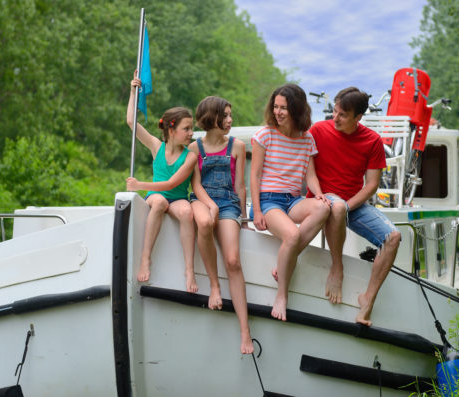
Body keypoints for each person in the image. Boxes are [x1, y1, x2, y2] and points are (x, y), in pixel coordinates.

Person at [126, 75, 223, 312]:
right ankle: (146, 257)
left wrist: (139, 185)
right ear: (171, 129)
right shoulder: (155, 146)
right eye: (186, 129)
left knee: (187, 212)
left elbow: (171, 184)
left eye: (191, 128)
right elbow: (131, 121)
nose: (191, 133)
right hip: (158, 197)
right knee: (158, 204)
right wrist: (132, 92)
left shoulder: (190, 157)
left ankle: (189, 270)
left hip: (177, 195)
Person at [308, 87, 401, 326]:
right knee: (336, 207)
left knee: (393, 237)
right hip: (324, 199)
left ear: (358, 118)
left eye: (342, 115)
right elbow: (303, 166)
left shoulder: (372, 141)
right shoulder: (318, 130)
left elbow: (371, 186)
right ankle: (337, 269)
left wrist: (348, 206)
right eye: (335, 112)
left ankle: (367, 300)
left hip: (352, 204)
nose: (335, 119)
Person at [250, 84, 330, 322]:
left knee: (324, 207)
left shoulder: (307, 139)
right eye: (275, 107)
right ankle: (281, 295)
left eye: (283, 108)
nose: (278, 112)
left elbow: (310, 175)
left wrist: (318, 194)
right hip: (267, 200)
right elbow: (253, 176)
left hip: (293, 200)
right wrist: (256, 211)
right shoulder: (265, 135)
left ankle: (286, 258)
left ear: (296, 109)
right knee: (292, 236)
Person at [187, 96, 253, 354]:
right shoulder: (194, 149)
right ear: (211, 118)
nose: (230, 120)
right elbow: (195, 184)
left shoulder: (236, 145)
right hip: (203, 200)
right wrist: (208, 205)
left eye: (230, 115)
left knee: (234, 261)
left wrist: (244, 220)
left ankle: (245, 331)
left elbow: (240, 186)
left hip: (228, 204)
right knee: (204, 223)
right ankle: (214, 285)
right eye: (225, 115)